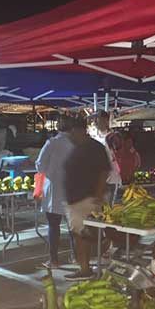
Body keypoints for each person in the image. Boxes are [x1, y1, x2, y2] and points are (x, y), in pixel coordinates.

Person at [63, 117, 111, 281]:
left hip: (85, 199)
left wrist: (97, 195)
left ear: (78, 130)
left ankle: (85, 269)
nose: (69, 136)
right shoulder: (78, 147)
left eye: (70, 132)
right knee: (83, 235)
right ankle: (86, 266)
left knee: (83, 236)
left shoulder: (94, 147)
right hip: (76, 200)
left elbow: (104, 172)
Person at [35, 115, 75, 268]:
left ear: (58, 127)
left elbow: (40, 165)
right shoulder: (76, 143)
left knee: (54, 225)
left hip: (54, 188)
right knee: (73, 226)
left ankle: (54, 260)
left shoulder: (52, 143)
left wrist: (51, 171)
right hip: (72, 187)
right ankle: (75, 256)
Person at [91, 111, 122, 200]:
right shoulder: (95, 137)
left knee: (109, 210)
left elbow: (118, 150)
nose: (95, 122)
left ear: (105, 120)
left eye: (97, 119)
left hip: (111, 179)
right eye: (94, 119)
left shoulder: (113, 137)